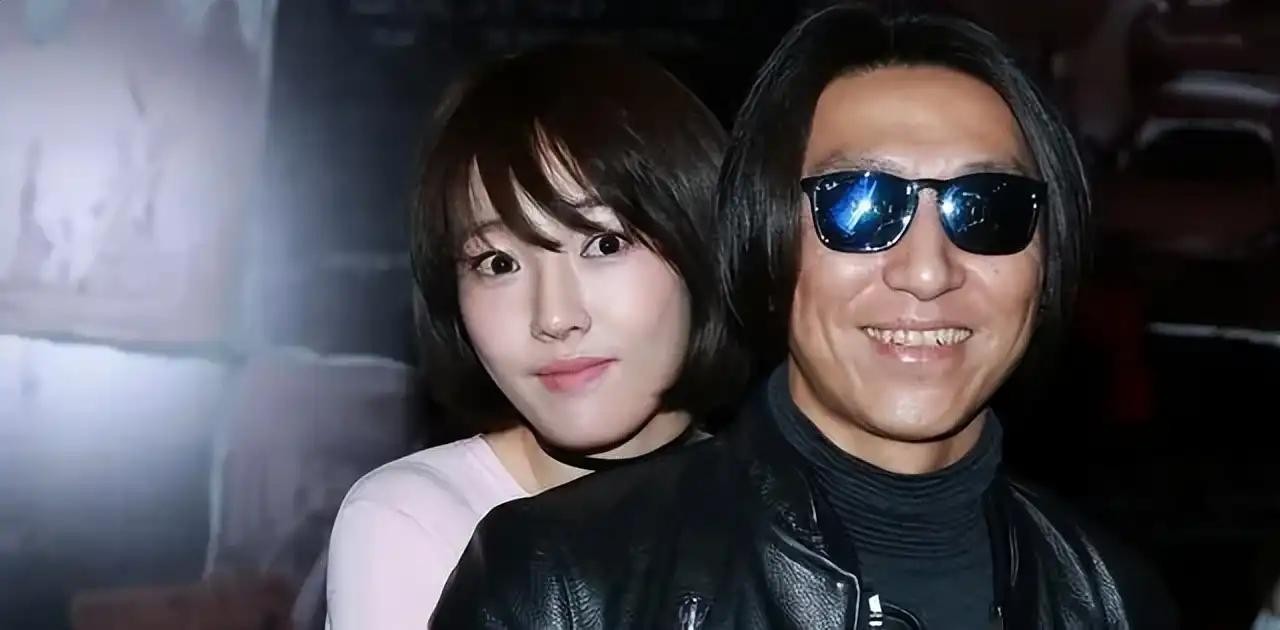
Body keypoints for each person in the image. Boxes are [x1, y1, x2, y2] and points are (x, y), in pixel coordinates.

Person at [432, 4, 1177, 629]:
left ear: (1046, 262)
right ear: (764, 239)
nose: (927, 271)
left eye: (986, 209)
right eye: (860, 206)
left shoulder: (1113, 601)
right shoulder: (561, 587)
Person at [324, 42, 746, 629]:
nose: (554, 316)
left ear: (703, 240)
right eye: (498, 263)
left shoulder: (791, 517)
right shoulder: (416, 522)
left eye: (604, 244)